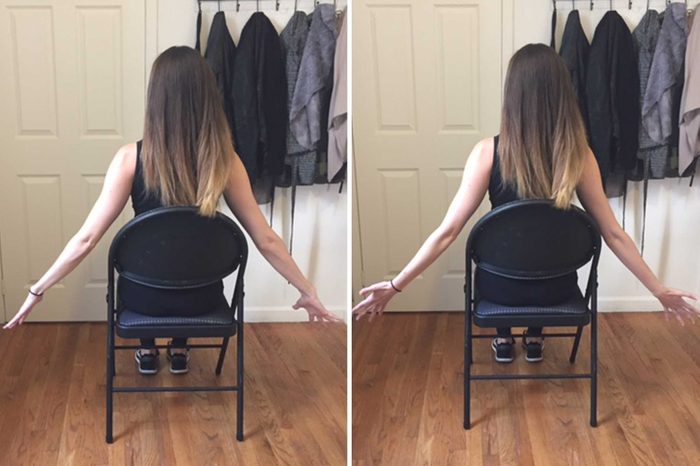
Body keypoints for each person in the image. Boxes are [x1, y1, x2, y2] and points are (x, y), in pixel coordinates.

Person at [3, 46, 340, 375]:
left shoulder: (129, 159)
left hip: (142, 302)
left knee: (150, 265)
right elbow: (265, 239)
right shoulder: (226, 162)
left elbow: (87, 239)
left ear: (156, 100)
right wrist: (306, 289)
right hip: (202, 301)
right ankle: (180, 347)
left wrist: (39, 289)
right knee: (187, 259)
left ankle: (146, 347)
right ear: (209, 98)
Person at [352, 44, 698, 363]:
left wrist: (396, 286)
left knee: (504, 250)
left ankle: (503, 338)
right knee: (543, 248)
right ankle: (535, 335)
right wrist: (658, 289)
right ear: (564, 94)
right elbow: (613, 233)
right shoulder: (580, 156)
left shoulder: (487, 153)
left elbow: (448, 232)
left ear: (512, 96)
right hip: (556, 291)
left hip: (498, 293)